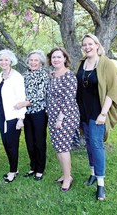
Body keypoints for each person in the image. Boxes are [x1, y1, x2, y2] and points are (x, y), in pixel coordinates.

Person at [75, 33, 117, 201]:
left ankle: (100, 184)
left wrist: (103, 113)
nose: (87, 47)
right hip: (83, 112)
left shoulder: (106, 63)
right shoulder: (81, 63)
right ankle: (92, 173)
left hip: (98, 112)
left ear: (97, 45)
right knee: (89, 144)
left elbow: (113, 90)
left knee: (97, 145)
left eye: (90, 44)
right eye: (84, 44)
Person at [46, 47, 80, 192]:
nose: (56, 60)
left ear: (65, 59)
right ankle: (65, 174)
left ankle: (68, 178)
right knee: (58, 148)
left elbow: (68, 100)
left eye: (59, 57)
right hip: (53, 117)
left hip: (65, 117)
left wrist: (60, 119)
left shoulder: (69, 76)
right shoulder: (53, 75)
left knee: (63, 148)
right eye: (53, 57)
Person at [14, 50, 49, 181]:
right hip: (26, 114)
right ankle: (33, 166)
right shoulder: (24, 75)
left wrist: (24, 103)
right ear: (27, 62)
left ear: (41, 63)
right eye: (31, 60)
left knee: (39, 141)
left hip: (39, 112)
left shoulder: (44, 75)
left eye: (36, 60)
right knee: (29, 141)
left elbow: (40, 96)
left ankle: (40, 169)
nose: (33, 62)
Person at [0, 49, 27, 183]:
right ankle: (14, 168)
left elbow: (21, 97)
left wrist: (21, 118)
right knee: (6, 143)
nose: (3, 62)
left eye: (6, 59)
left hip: (13, 116)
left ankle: (12, 171)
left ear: (11, 61)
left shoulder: (17, 76)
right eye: (1, 60)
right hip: (2, 116)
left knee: (12, 144)